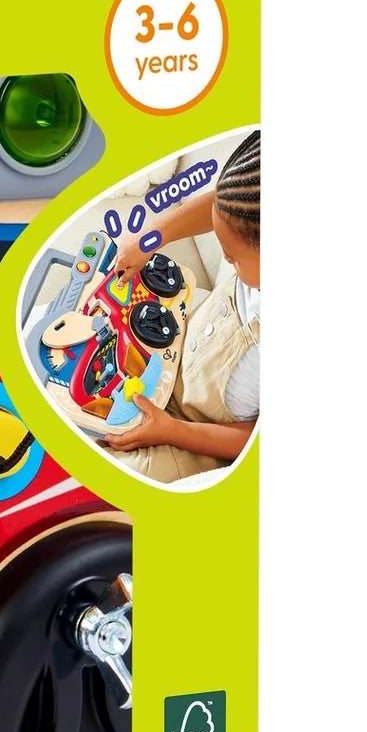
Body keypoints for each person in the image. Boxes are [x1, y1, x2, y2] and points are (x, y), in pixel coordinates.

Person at [102, 130, 260, 484]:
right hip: (179, 347)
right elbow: (227, 205)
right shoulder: (251, 208)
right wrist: (149, 239)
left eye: (233, 258)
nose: (225, 258)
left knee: (108, 474)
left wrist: (171, 431)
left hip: (198, 434)